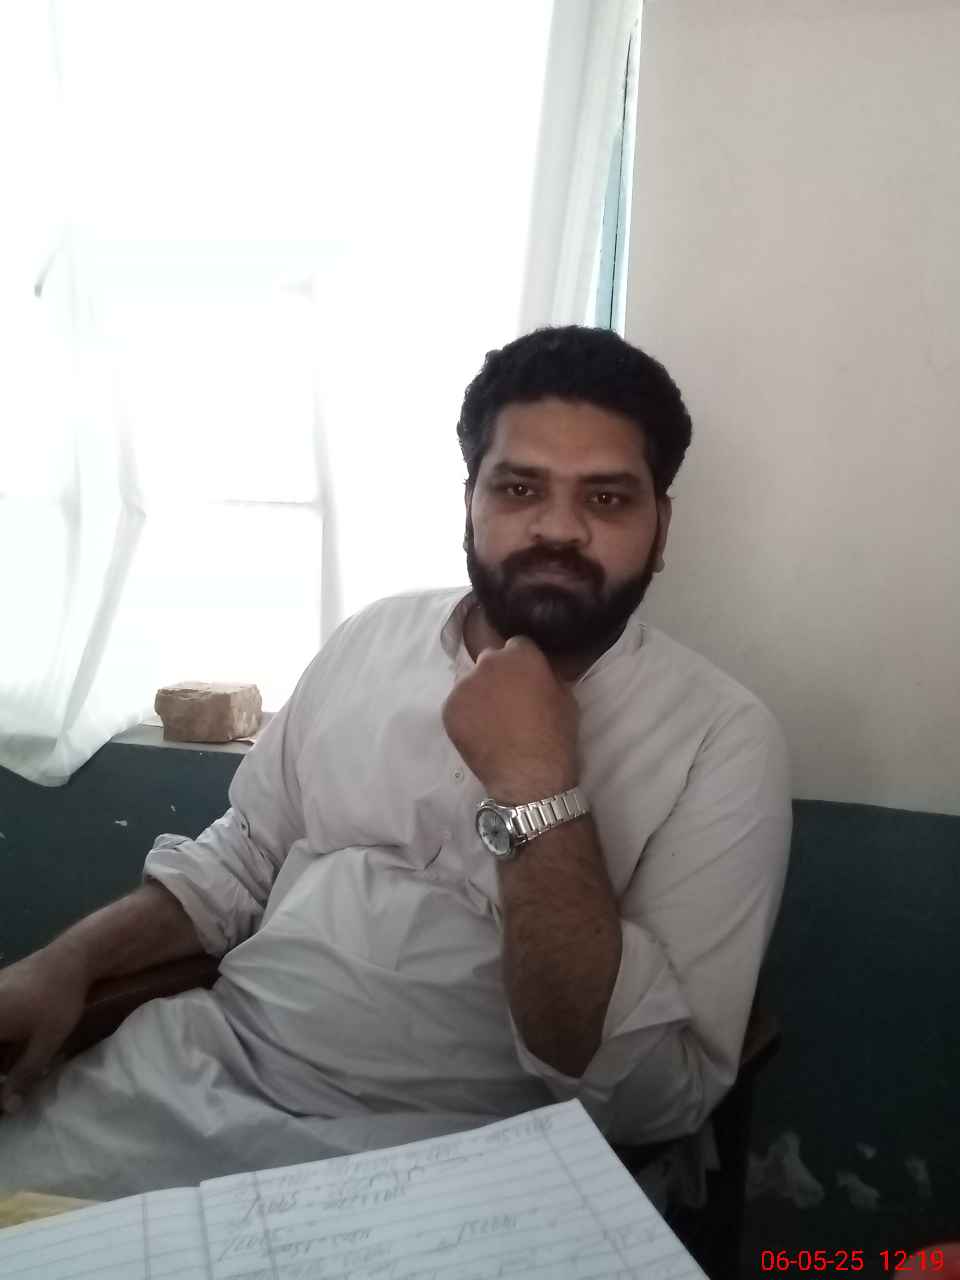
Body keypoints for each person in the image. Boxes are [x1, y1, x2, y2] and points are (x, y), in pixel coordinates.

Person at [0, 325, 792, 1219]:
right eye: (519, 488)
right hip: (195, 1077)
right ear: (469, 502)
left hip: (466, 1158)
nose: (558, 529)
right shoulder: (372, 639)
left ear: (660, 528)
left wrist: (538, 785)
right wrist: (66, 964)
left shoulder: (722, 740)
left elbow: (654, 1095)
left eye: (606, 498)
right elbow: (241, 861)